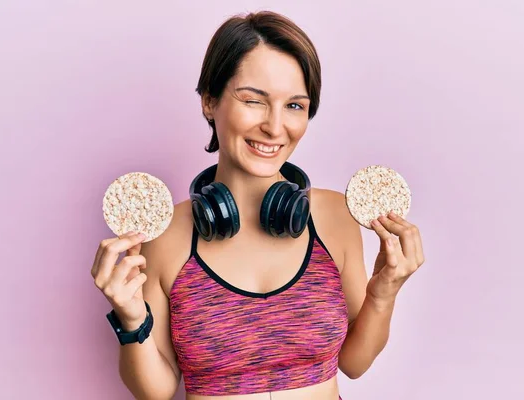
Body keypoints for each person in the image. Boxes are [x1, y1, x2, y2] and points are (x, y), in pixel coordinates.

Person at [91, 10, 425, 400]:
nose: (274, 126)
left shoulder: (336, 216)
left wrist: (384, 293)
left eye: (295, 106)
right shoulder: (163, 234)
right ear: (210, 102)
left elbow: (354, 362)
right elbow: (157, 392)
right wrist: (131, 319)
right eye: (254, 100)